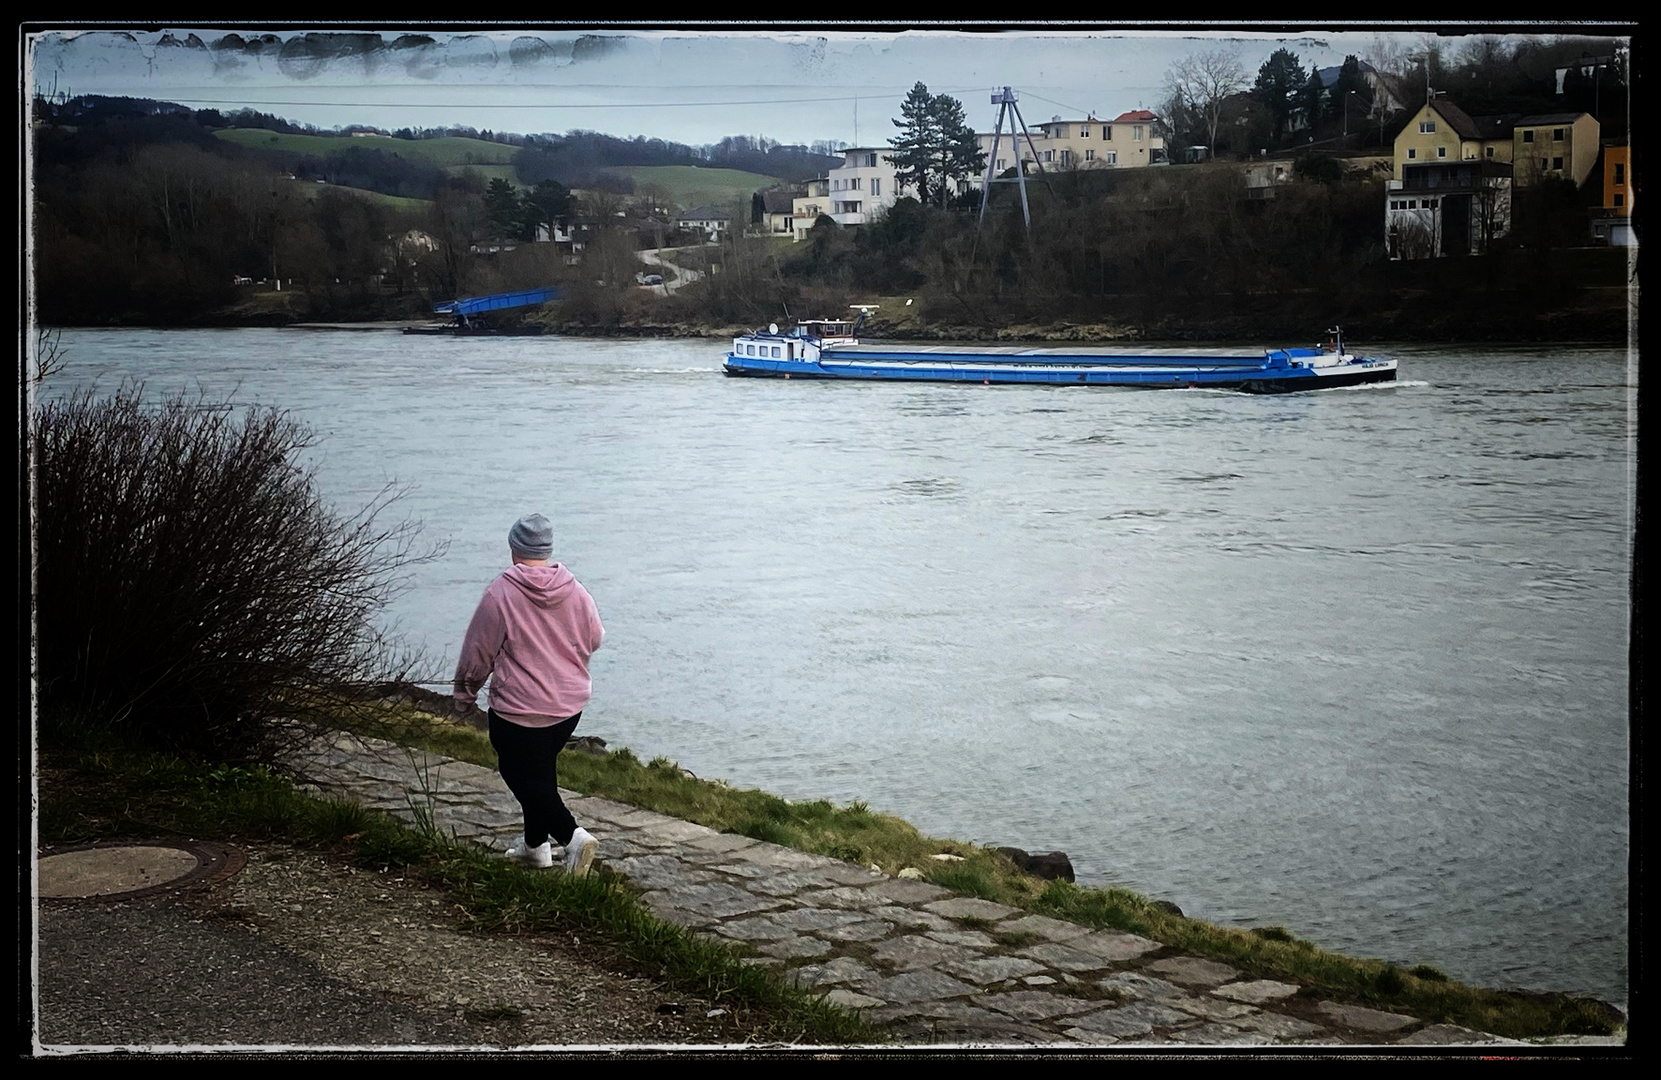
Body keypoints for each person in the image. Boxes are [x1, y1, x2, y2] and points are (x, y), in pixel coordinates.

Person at [454, 513, 605, 875]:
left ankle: (573, 838)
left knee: (515, 769)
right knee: (540, 774)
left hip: (519, 710)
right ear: (547, 551)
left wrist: (464, 694)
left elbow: (478, 651)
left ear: (514, 550)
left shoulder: (500, 594)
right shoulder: (575, 590)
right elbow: (596, 636)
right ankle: (536, 847)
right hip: (568, 707)